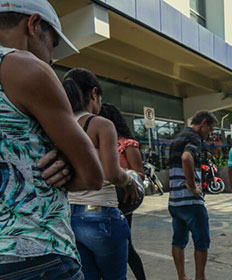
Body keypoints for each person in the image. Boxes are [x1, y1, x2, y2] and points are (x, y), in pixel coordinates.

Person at [0, 1, 105, 278]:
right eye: (53, 45)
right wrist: (69, 165)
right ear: (34, 25)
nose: (51, 59)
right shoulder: (24, 66)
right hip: (36, 253)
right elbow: (93, 175)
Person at [63, 68, 140, 280]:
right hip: (102, 213)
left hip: (69, 215)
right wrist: (129, 181)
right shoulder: (101, 124)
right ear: (94, 93)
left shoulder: (60, 124)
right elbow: (113, 174)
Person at [100, 103, 147, 280]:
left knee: (126, 246)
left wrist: (124, 178)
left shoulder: (128, 145)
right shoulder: (101, 143)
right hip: (101, 200)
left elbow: (140, 174)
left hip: (122, 201)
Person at [168, 111, 218, 280]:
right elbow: (186, 157)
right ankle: (200, 277)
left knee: (178, 241)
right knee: (202, 241)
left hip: (175, 202)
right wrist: (191, 185)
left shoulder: (177, 137)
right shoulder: (194, 138)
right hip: (191, 202)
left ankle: (182, 276)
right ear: (203, 123)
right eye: (209, 130)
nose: (209, 134)